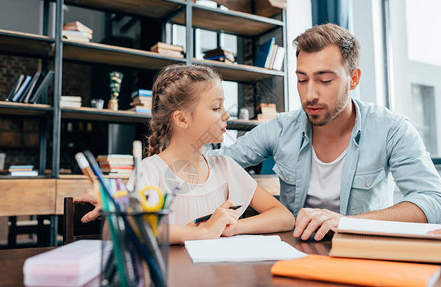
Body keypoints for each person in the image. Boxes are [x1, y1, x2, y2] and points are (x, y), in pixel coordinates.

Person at [216, 23, 441, 241]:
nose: (310, 95)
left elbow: (435, 202)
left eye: (324, 80)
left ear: (353, 79)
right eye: (302, 80)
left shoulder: (392, 129)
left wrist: (348, 223)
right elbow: (217, 164)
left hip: (362, 254)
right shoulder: (282, 128)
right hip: (295, 251)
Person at [75, 64, 294, 245]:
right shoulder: (152, 170)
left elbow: (285, 217)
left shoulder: (225, 166)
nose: (226, 114)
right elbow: (134, 229)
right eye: (216, 108)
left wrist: (234, 226)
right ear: (182, 119)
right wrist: (203, 232)